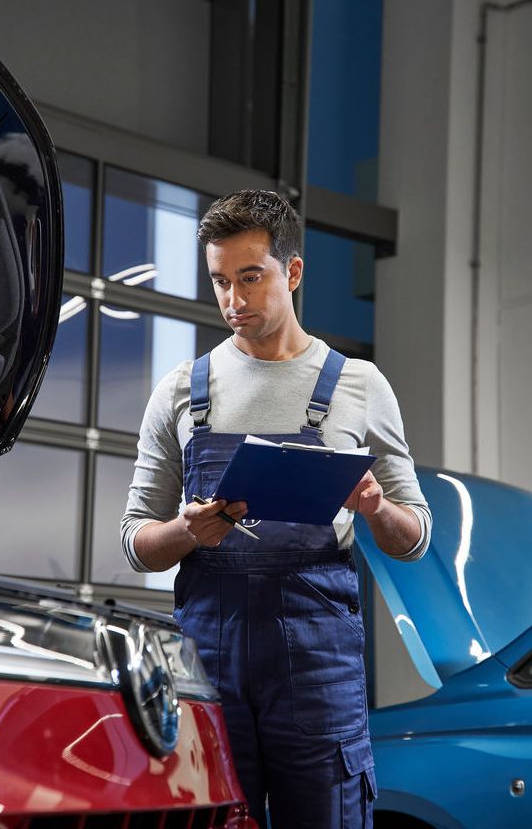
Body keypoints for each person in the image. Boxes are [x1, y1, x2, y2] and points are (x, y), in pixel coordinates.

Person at [121, 189, 431, 829]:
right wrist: (185, 530)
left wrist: (375, 506)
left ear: (292, 272)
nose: (234, 300)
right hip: (209, 657)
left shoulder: (359, 385)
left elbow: (415, 537)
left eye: (250, 277)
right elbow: (135, 542)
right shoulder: (180, 390)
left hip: (319, 662)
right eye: (220, 282)